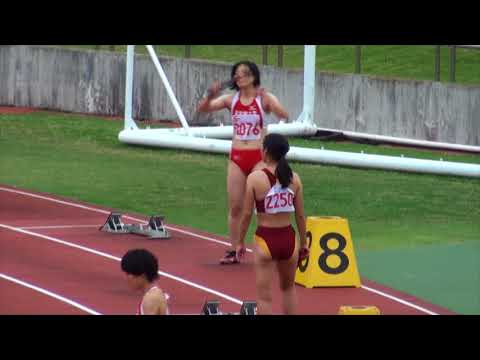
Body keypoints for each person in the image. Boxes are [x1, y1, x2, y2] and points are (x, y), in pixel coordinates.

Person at [198, 60, 290, 265]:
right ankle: (233, 249)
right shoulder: (231, 100)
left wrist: (270, 102)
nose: (240, 77)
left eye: (244, 73)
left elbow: (284, 115)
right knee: (236, 207)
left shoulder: (263, 99)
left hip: (259, 157)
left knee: (262, 206)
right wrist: (210, 94)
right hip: (237, 156)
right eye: (236, 74)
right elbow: (203, 109)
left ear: (253, 76)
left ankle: (268, 248)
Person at [238, 133, 309, 314]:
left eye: (262, 147)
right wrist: (304, 242)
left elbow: (246, 214)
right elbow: (301, 216)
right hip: (289, 240)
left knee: (264, 296)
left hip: (265, 239)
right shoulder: (295, 179)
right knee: (288, 289)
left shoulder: (254, 179)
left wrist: (239, 242)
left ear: (267, 152)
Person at [121, 248, 169, 315]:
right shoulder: (153, 294)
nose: (126, 278)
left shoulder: (151, 299)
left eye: (128, 274)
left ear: (142, 275)